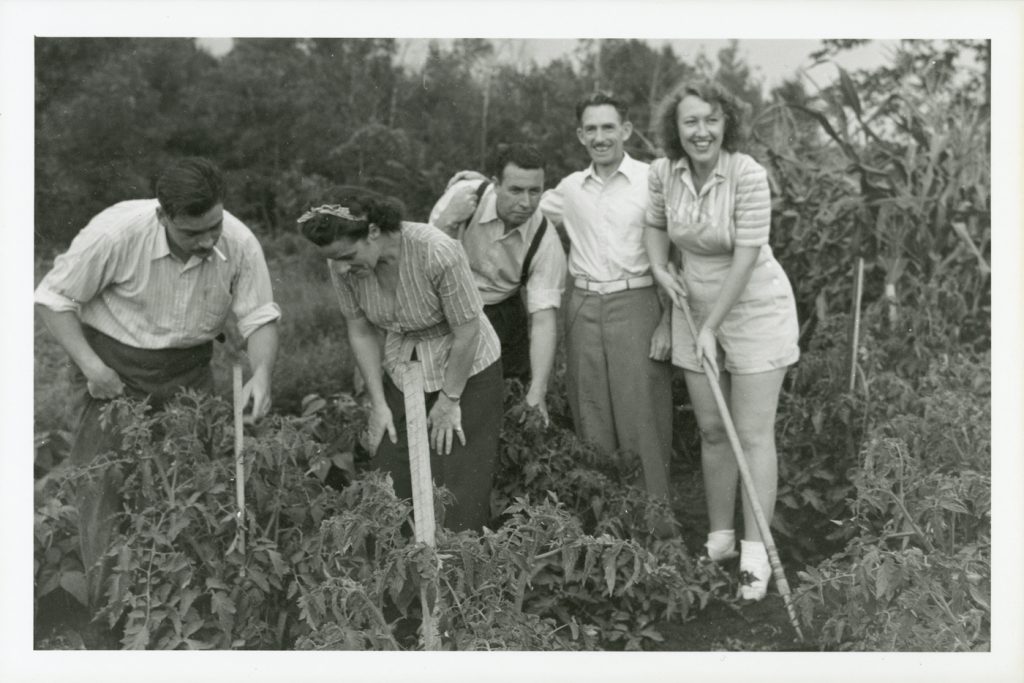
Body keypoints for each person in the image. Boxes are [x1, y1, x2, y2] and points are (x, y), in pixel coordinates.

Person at [34, 157, 281, 620]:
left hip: (188, 371)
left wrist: (261, 373)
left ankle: (178, 609)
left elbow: (259, 317)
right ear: (162, 216)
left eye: (214, 226)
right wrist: (92, 367)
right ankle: (110, 616)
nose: (208, 241)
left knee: (184, 489)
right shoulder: (116, 235)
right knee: (103, 485)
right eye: (193, 233)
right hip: (110, 368)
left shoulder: (239, 242)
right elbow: (53, 300)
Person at [644, 80, 800, 601]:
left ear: (726, 123)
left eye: (711, 120)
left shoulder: (748, 175)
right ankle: (720, 540)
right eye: (691, 121)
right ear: (676, 128)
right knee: (713, 430)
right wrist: (660, 268)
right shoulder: (664, 173)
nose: (702, 130)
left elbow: (748, 254)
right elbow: (654, 225)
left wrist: (713, 327)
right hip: (694, 303)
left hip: (752, 304)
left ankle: (756, 560)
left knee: (752, 434)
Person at [298, 188, 503, 533]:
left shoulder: (436, 252)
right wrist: (378, 404)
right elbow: (360, 329)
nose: (343, 268)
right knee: (391, 485)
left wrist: (449, 399)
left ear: (374, 232)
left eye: (349, 255)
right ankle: (404, 581)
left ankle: (458, 578)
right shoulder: (342, 265)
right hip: (404, 371)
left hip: (467, 373)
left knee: (457, 492)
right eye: (336, 260)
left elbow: (467, 332)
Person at [537, 92, 674, 514]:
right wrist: (471, 188)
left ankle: (656, 537)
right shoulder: (569, 189)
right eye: (591, 129)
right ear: (581, 135)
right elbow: (520, 207)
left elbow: (678, 252)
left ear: (626, 131)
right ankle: (603, 536)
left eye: (608, 127)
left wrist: (668, 322)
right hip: (582, 309)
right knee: (591, 422)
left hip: (637, 304)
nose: (600, 137)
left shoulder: (653, 180)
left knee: (642, 425)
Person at [429, 143, 567, 425]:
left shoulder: (545, 239)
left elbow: (543, 320)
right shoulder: (461, 197)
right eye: (515, 190)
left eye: (534, 191)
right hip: (449, 303)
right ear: (495, 185)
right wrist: (447, 222)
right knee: (437, 391)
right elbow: (424, 266)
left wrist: (537, 392)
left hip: (503, 311)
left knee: (506, 400)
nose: (526, 203)